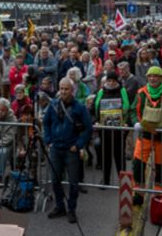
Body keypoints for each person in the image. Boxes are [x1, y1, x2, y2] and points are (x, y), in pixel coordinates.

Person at [43, 78, 93, 223]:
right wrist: (48, 141)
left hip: (71, 149)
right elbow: (46, 124)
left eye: (66, 89)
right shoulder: (53, 105)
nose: (63, 91)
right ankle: (60, 206)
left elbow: (88, 129)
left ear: (72, 90)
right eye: (61, 88)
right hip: (56, 148)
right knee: (55, 180)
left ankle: (71, 209)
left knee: (73, 182)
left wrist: (78, 145)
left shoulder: (80, 108)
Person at [131, 66, 162, 204]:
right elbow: (133, 111)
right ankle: (139, 192)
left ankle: (159, 193)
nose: (152, 78)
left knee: (160, 166)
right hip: (145, 136)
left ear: (161, 78)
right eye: (150, 76)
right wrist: (136, 122)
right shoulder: (141, 93)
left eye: (155, 76)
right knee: (138, 164)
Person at [92, 71, 131, 186]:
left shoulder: (122, 91)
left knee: (119, 156)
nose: (111, 83)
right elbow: (93, 109)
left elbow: (128, 108)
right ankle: (106, 179)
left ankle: (123, 181)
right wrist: (96, 121)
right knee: (106, 156)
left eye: (113, 81)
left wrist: (126, 123)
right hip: (104, 130)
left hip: (119, 130)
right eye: (109, 80)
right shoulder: (100, 92)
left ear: (117, 81)